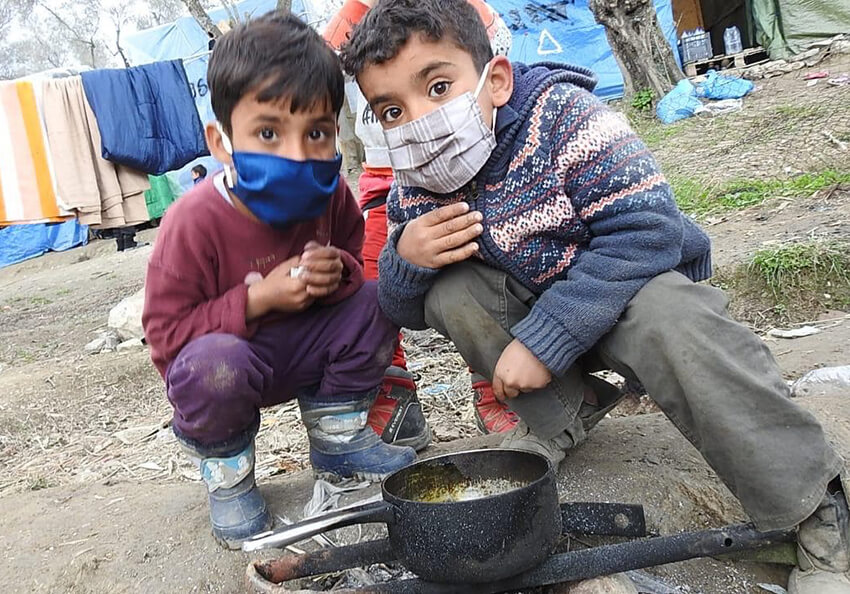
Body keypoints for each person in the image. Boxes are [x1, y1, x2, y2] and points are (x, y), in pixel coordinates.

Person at [341, 1, 848, 591]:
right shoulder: (417, 182)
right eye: (394, 110)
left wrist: (545, 341)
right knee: (450, 289)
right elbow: (407, 312)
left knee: (673, 319)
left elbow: (647, 230)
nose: (420, 118)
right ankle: (565, 416)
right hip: (544, 314)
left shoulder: (564, 117)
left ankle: (812, 513)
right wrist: (407, 259)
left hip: (635, 294)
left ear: (495, 79)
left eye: (438, 86)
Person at [141, 12, 416, 550]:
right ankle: (230, 478)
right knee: (212, 365)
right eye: (268, 132)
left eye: (316, 132)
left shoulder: (332, 194)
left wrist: (336, 271)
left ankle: (337, 439)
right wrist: (257, 298)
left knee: (376, 297)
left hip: (306, 351)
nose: (296, 154)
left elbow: (353, 273)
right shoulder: (192, 222)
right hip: (228, 366)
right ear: (222, 142)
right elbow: (166, 338)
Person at [324, 0, 519, 438]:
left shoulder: (460, 8)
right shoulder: (349, 19)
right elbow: (317, 79)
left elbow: (490, 59)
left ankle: (496, 387)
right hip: (384, 174)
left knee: (487, 258)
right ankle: (389, 393)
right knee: (368, 280)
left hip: (469, 163)